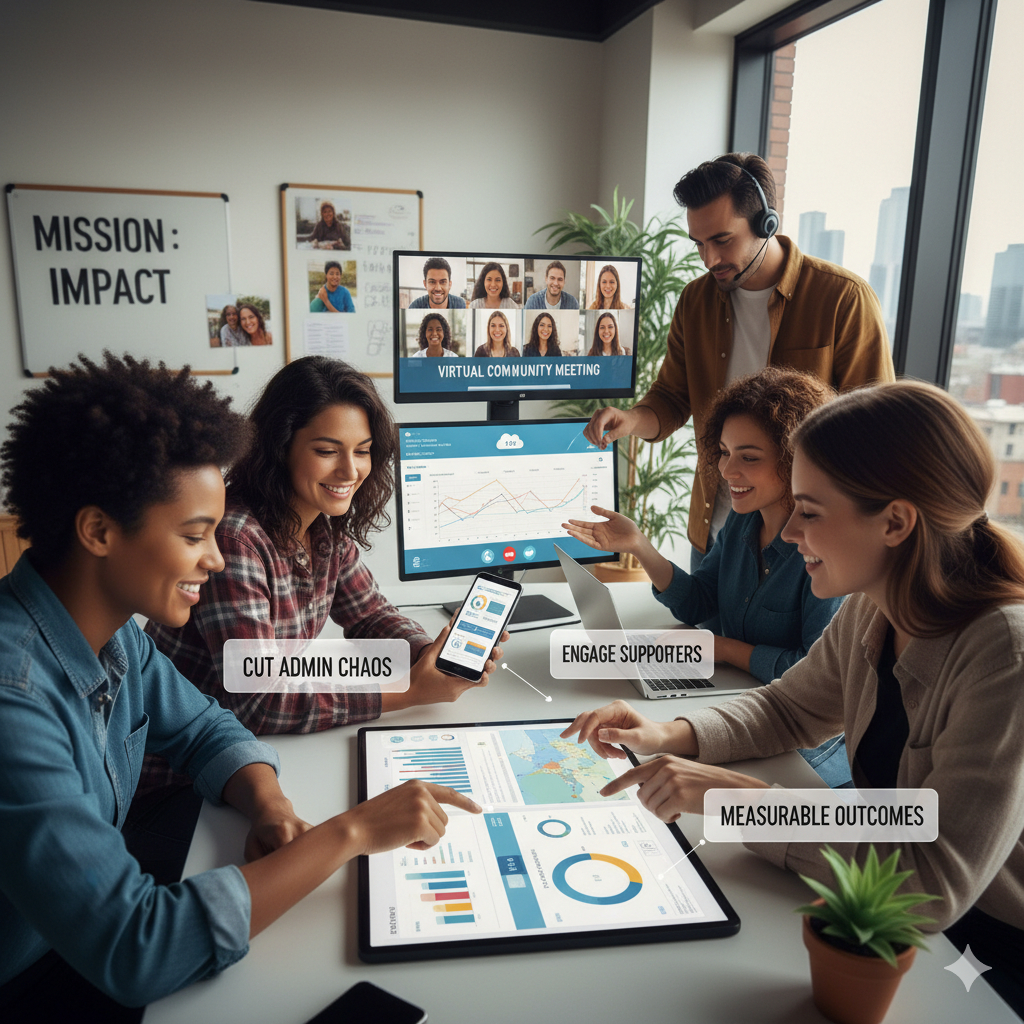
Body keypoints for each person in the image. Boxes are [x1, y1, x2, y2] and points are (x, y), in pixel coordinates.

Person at [0, 353, 475, 1016]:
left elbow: (205, 726)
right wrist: (349, 834)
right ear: (99, 531)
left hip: (95, 907)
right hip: (37, 972)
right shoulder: (14, 698)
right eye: (196, 535)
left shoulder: (116, 638)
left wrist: (272, 806)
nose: (216, 557)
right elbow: (137, 947)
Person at [564, 381, 1024, 1014]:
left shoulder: (1003, 654)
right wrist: (665, 732)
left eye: (810, 511)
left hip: (983, 949)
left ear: (895, 521)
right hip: (889, 912)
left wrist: (740, 801)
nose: (789, 535)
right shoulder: (874, 605)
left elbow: (932, 880)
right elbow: (788, 707)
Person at [143, 356, 505, 759]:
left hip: (246, 756)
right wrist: (409, 691)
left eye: (363, 451)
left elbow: (369, 615)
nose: (350, 471)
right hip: (182, 778)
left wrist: (430, 656)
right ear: (280, 447)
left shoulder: (323, 528)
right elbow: (261, 701)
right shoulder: (234, 538)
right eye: (328, 451)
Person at [582, 153, 894, 571]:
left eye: (722, 240)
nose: (708, 259)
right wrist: (632, 420)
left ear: (767, 223)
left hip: (806, 541)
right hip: (716, 534)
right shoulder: (696, 300)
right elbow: (673, 397)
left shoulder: (843, 299)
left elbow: (876, 429)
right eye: (699, 244)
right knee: (705, 636)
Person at [563, 367, 848, 786]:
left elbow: (809, 675)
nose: (728, 471)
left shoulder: (827, 550)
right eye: (724, 451)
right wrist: (641, 547)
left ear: (795, 461)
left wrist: (720, 649)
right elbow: (700, 601)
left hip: (806, 751)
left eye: (749, 457)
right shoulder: (741, 522)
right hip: (736, 702)